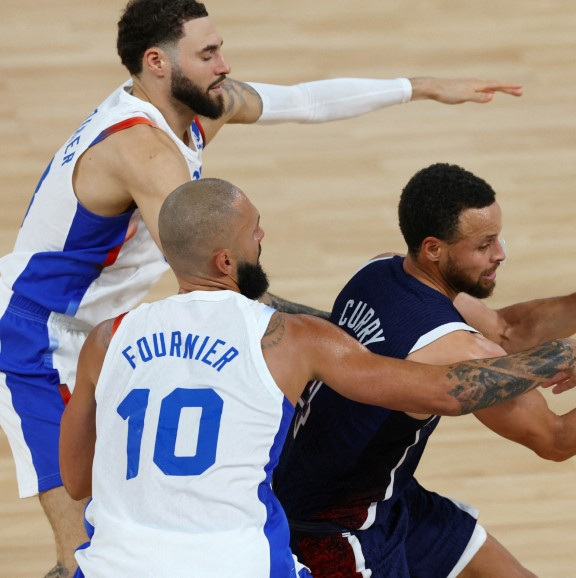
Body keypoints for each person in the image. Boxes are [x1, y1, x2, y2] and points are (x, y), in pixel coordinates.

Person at [0, 1, 523, 574]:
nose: (224, 64)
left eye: (219, 47)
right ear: (156, 63)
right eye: (207, 54)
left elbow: (302, 101)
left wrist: (419, 87)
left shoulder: (194, 104)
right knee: (83, 553)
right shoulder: (146, 155)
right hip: (36, 341)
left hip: (93, 328)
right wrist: (356, 332)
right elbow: (222, 282)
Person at [58, 177, 576, 577]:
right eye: (254, 231)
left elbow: (78, 481)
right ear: (226, 259)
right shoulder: (291, 338)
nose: (262, 237)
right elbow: (445, 391)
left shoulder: (106, 340)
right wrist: (548, 359)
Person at [272, 163, 576, 577]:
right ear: (434, 248)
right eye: (484, 245)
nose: (501, 253)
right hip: (330, 534)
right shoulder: (457, 352)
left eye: (499, 237)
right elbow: (556, 438)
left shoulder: (378, 270)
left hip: (383, 499)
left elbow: (508, 330)